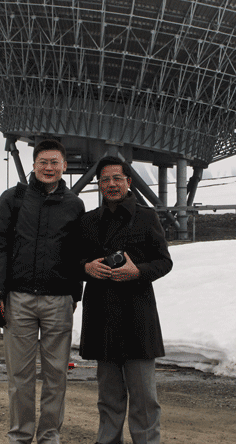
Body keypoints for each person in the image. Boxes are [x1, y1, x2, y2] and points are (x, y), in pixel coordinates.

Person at [0, 139, 85, 444]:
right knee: (20, 378)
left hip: (58, 300)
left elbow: (78, 252)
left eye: (55, 162)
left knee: (56, 376)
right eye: (43, 162)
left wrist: (74, 296)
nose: (49, 168)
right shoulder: (13, 199)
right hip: (20, 299)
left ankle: (50, 436)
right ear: (33, 164)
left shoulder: (74, 205)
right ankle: (20, 437)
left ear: (64, 166)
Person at [79, 156, 173, 444]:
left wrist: (137, 271)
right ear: (99, 185)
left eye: (117, 178)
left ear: (129, 182)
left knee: (144, 399)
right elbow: (73, 261)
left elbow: (164, 262)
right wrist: (86, 267)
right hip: (101, 317)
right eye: (105, 180)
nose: (111, 184)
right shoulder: (88, 221)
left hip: (138, 318)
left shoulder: (147, 216)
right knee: (109, 399)